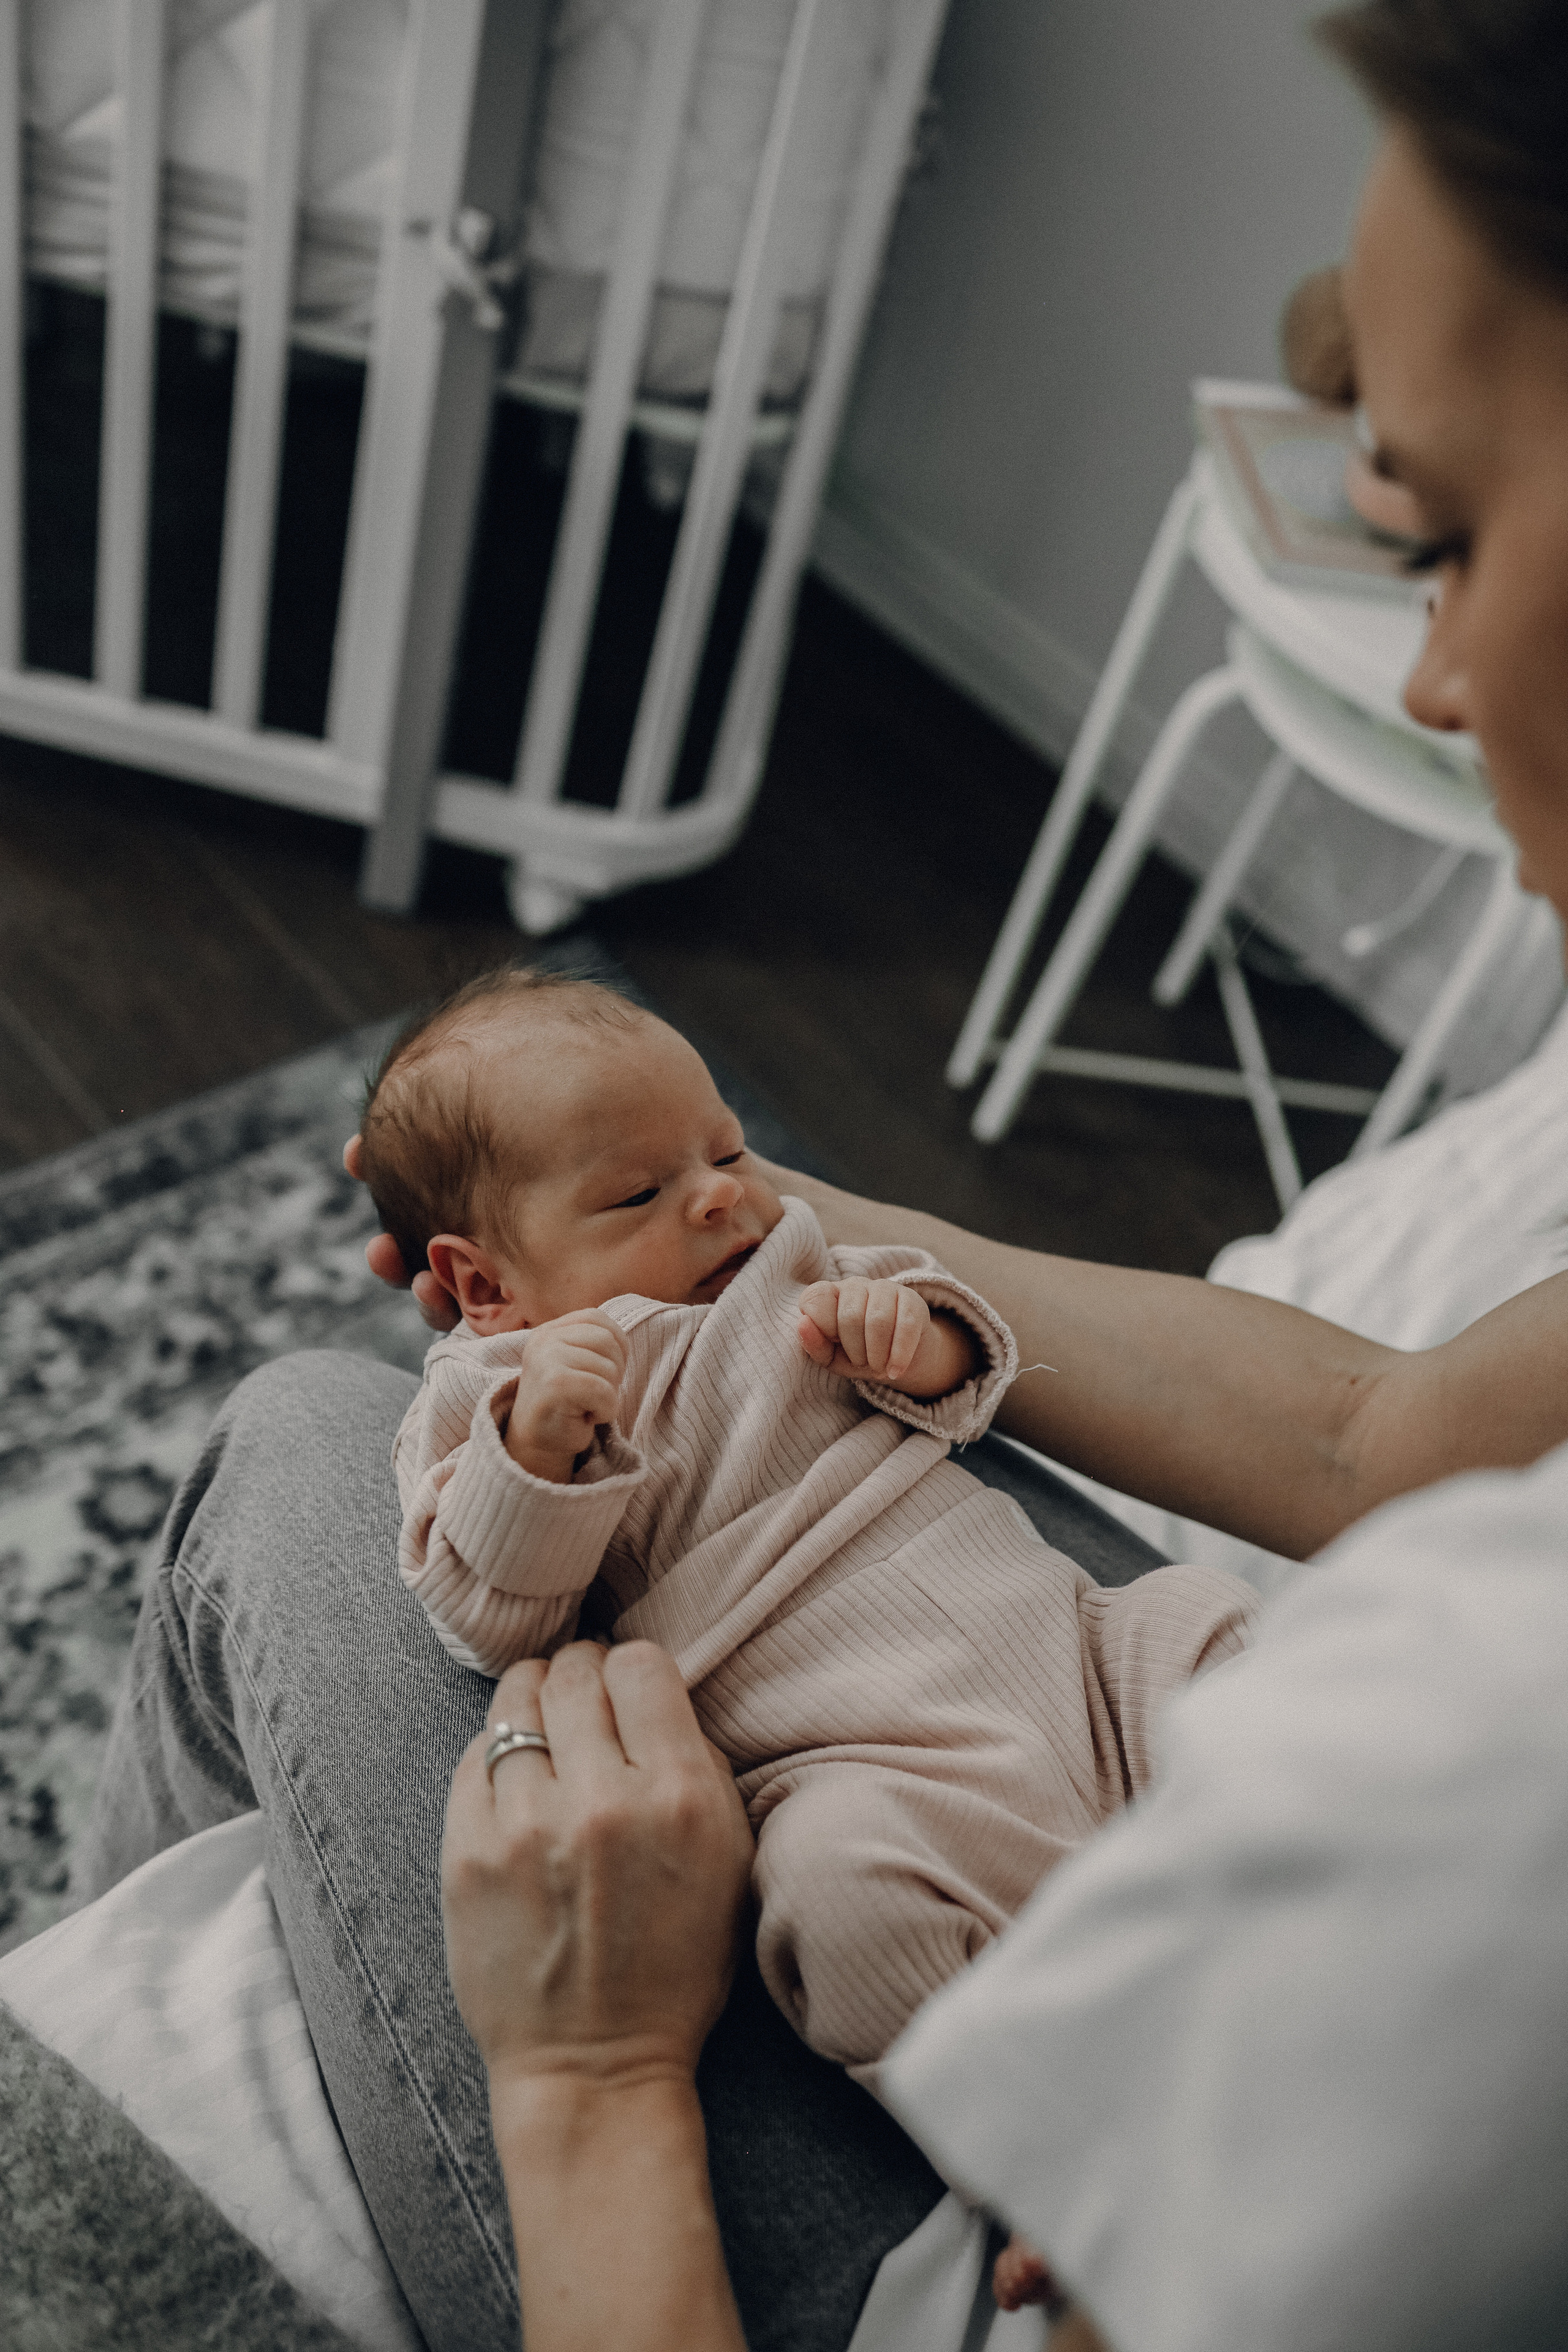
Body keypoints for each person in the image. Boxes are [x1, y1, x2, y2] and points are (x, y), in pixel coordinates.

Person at [78, 0, 1568, 2344]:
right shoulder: (530, 1372)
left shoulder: (1485, 1752)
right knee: (858, 1873)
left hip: (957, 2096)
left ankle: (136, 2118)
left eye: (1450, 534)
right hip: (890, 1761)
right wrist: (639, 1363)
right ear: (482, 1281)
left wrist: (579, 2080)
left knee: (285, 1429)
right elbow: (1388, 1439)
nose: (1432, 673)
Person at [360, 967, 1252, 2079]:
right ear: (481, 1284)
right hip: (864, 1768)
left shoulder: (789, 1260)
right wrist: (534, 1451)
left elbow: (970, 1375)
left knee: (1217, 1625)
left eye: (726, 1151)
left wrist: (916, 1335)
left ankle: (1338, 1904)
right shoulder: (485, 1390)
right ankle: (1052, 2127)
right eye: (638, 1193)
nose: (719, 1197)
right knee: (838, 1900)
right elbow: (487, 1619)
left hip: (1085, 1662)